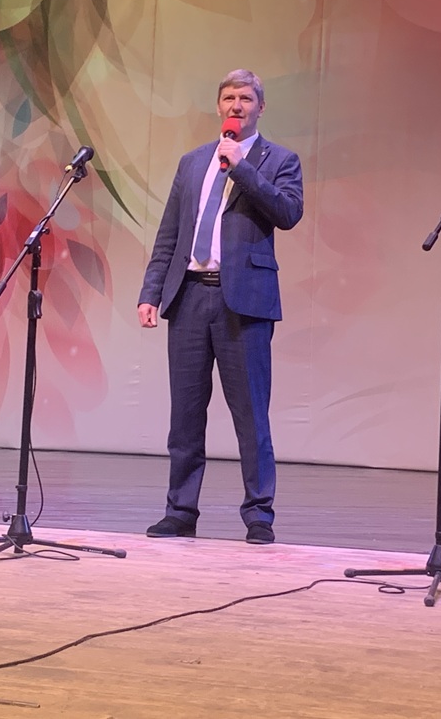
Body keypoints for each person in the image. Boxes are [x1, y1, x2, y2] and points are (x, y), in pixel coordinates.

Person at [137, 69, 304, 545]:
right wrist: (151, 292)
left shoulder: (280, 160)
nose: (236, 105)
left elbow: (288, 213)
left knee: (250, 415)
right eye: (229, 97)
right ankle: (180, 511)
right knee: (186, 415)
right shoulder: (193, 162)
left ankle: (259, 515)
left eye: (246, 98)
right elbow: (170, 232)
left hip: (244, 303)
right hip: (189, 296)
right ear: (218, 106)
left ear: (260, 107)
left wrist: (242, 168)